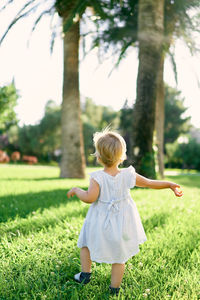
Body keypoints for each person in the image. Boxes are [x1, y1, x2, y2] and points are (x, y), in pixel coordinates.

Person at [67, 129, 183, 295]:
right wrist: (169, 184)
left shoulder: (97, 177)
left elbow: (90, 198)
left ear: (98, 156)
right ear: (122, 155)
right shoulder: (128, 175)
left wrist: (77, 190)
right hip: (122, 222)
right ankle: (114, 289)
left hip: (99, 221)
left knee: (86, 244)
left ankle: (85, 274)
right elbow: (150, 183)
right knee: (119, 256)